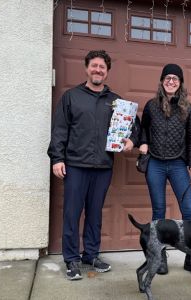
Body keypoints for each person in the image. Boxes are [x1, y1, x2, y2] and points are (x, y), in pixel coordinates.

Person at [47, 50, 140, 280]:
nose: (98, 70)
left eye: (102, 67)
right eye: (94, 66)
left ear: (107, 72)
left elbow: (134, 125)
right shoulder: (71, 97)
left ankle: (91, 255)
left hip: (102, 166)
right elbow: (60, 130)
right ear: (87, 68)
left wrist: (132, 140)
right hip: (75, 165)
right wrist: (57, 158)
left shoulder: (115, 102)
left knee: (94, 213)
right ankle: (71, 260)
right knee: (72, 212)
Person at [139, 63, 191, 275]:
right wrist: (143, 142)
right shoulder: (151, 105)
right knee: (158, 211)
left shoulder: (188, 108)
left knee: (189, 210)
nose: (171, 81)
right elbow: (142, 127)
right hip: (155, 162)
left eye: (175, 78)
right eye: (167, 78)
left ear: (180, 83)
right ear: (162, 81)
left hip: (177, 164)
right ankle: (160, 258)